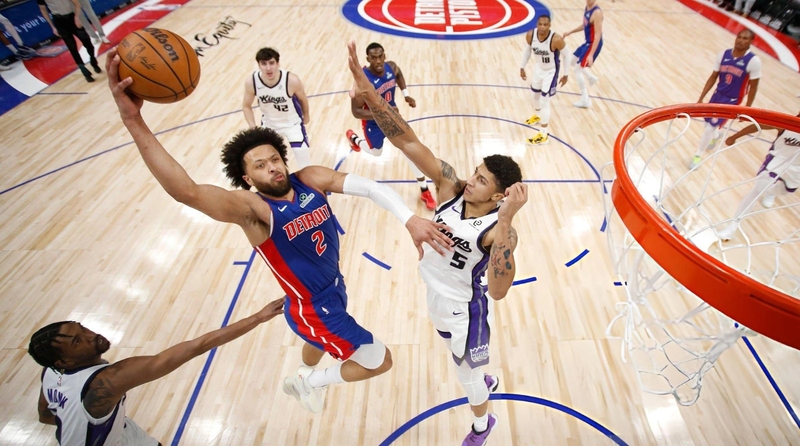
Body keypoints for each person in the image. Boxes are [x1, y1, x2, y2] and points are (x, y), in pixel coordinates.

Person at [106, 48, 454, 414]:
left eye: (274, 159)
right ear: (247, 179)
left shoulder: (310, 179)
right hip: (312, 307)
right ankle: (306, 382)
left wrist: (409, 218)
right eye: (260, 165)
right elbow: (187, 192)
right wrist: (133, 119)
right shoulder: (254, 211)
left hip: (334, 286)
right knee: (379, 360)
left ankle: (304, 369)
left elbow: (370, 187)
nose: (272, 167)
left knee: (317, 343)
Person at [347, 41, 528, 446]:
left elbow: (499, 291)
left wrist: (507, 220)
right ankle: (479, 373)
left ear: (500, 196)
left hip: (466, 308)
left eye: (481, 180)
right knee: (454, 351)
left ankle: (482, 425)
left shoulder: (500, 230)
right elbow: (405, 139)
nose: (470, 180)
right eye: (475, 172)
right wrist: (367, 89)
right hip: (434, 293)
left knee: (465, 376)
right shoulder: (450, 186)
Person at [29, 298, 285, 446]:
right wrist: (258, 317)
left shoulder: (51, 372)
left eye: (82, 328)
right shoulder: (107, 381)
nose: (91, 335)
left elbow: (45, 415)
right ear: (66, 362)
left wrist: (83, 424)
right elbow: (196, 346)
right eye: (77, 341)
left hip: (119, 434)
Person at [345, 42, 437, 211]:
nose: (378, 61)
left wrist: (406, 95)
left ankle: (425, 190)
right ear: (368, 59)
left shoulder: (391, 67)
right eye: (373, 58)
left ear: (384, 56)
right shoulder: (362, 81)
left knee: (411, 152)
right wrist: (384, 111)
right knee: (376, 152)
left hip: (393, 118)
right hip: (373, 123)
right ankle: (354, 139)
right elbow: (356, 111)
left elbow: (399, 74)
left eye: (380, 56)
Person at [717, 112, 800, 241]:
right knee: (757, 190)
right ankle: (732, 227)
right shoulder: (786, 123)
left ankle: (771, 192)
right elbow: (758, 126)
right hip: (777, 160)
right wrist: (735, 136)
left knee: (783, 192)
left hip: (796, 168)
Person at [690, 29, 761, 169]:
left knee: (709, 128)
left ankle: (698, 155)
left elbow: (753, 87)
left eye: (745, 38)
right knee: (707, 124)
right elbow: (713, 76)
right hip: (717, 95)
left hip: (732, 100)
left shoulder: (753, 61)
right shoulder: (723, 54)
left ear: (751, 41)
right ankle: (716, 136)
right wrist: (701, 97)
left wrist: (747, 108)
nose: (741, 40)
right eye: (739, 37)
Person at [242, 47, 311, 169]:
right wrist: (253, 127)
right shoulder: (252, 82)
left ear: (278, 63)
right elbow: (246, 106)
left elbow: (302, 99)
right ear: (259, 65)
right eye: (264, 64)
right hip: (269, 125)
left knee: (304, 163)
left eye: (271, 63)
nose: (268, 68)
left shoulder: (291, 80)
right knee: (269, 165)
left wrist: (306, 115)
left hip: (292, 124)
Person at [520, 14, 570, 145]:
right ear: (537, 25)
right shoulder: (531, 35)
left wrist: (566, 74)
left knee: (544, 101)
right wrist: (522, 67)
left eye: (545, 24)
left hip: (551, 72)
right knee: (534, 96)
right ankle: (538, 116)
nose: (542, 27)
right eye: (540, 24)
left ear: (549, 25)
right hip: (539, 68)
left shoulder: (556, 39)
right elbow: (527, 51)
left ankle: (543, 134)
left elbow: (567, 55)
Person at [37, 0, 100, 82]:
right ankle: (84, 70)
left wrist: (77, 17)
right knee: (72, 47)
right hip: (59, 22)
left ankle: (93, 60)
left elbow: (77, 3)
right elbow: (43, 10)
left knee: (87, 42)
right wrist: (53, 27)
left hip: (72, 17)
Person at [563, 0, 603, 108]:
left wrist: (591, 54)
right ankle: (590, 77)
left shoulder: (597, 12)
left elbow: (598, 35)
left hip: (593, 44)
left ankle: (585, 99)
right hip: (587, 42)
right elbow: (585, 25)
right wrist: (571, 31)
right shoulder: (587, 7)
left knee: (577, 70)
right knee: (572, 61)